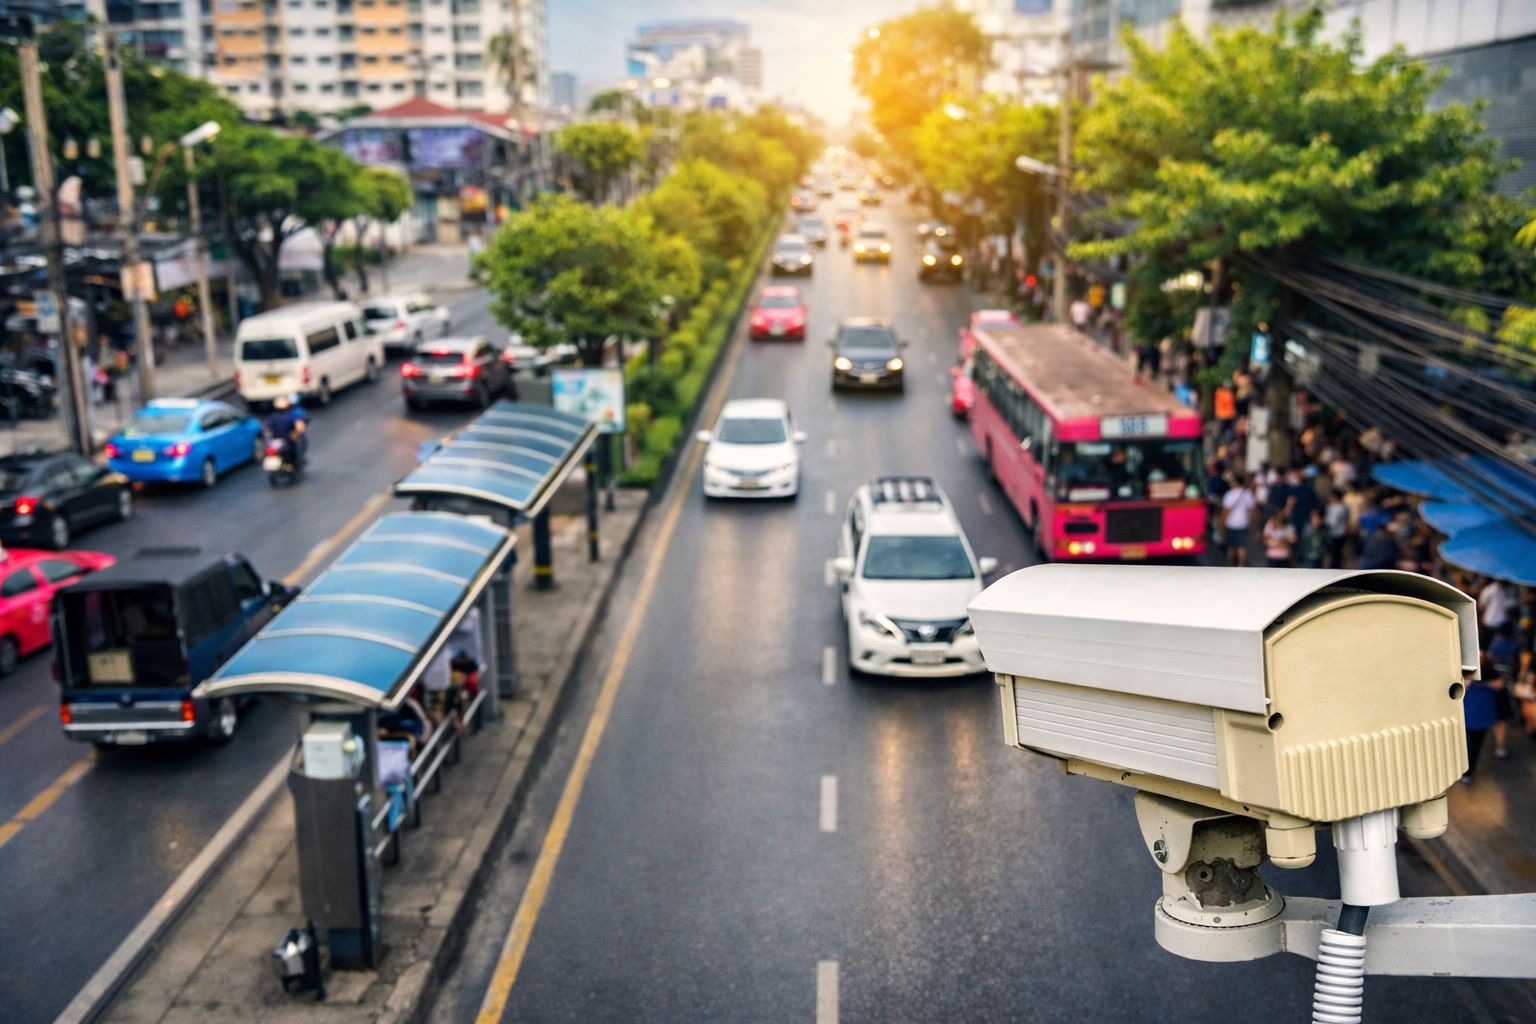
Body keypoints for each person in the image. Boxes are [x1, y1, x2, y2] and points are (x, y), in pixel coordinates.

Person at [1222, 475, 1258, 567]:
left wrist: (1221, 524)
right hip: (1243, 522)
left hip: (1231, 523)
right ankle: (1241, 565)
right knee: (1242, 546)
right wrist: (1251, 522)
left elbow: (1225, 511)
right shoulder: (1247, 493)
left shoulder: (1229, 494)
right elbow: (1252, 510)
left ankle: (1231, 564)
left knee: (1231, 546)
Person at [263, 395, 308, 467]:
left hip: (276, 440)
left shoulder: (271, 416)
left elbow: (267, 428)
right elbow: (300, 428)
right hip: (287, 440)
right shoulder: (292, 415)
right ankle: (293, 465)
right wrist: (294, 434)